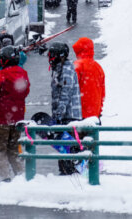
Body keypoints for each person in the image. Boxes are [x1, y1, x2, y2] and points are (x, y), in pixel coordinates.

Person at [0, 46, 31, 182]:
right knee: (14, 148)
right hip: (17, 118)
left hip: (1, 118)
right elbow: (26, 91)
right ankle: (20, 174)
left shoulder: (1, 75)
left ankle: (4, 176)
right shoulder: (23, 73)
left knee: (0, 148)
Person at [48, 42, 82, 175]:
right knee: (63, 147)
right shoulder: (59, 68)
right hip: (63, 115)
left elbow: (65, 93)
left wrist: (59, 114)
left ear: (59, 56)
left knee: (68, 148)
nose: (50, 59)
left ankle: (70, 172)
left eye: (52, 55)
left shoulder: (66, 69)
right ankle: (65, 171)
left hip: (69, 115)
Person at [72, 37, 106, 119]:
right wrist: (98, 111)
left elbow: (71, 90)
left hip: (80, 114)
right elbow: (102, 93)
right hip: (94, 115)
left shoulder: (77, 66)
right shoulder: (98, 67)